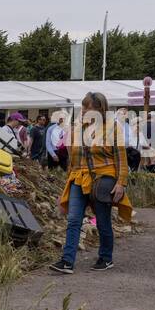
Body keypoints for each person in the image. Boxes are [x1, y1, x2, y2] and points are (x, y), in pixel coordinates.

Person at [50, 91, 132, 274]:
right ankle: (67, 261)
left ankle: (105, 257)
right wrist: (67, 182)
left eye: (88, 107)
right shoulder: (78, 128)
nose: (84, 109)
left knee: (102, 221)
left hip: (104, 179)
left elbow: (121, 159)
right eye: (84, 106)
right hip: (79, 178)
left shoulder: (112, 128)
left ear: (100, 110)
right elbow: (73, 161)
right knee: (73, 219)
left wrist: (121, 183)